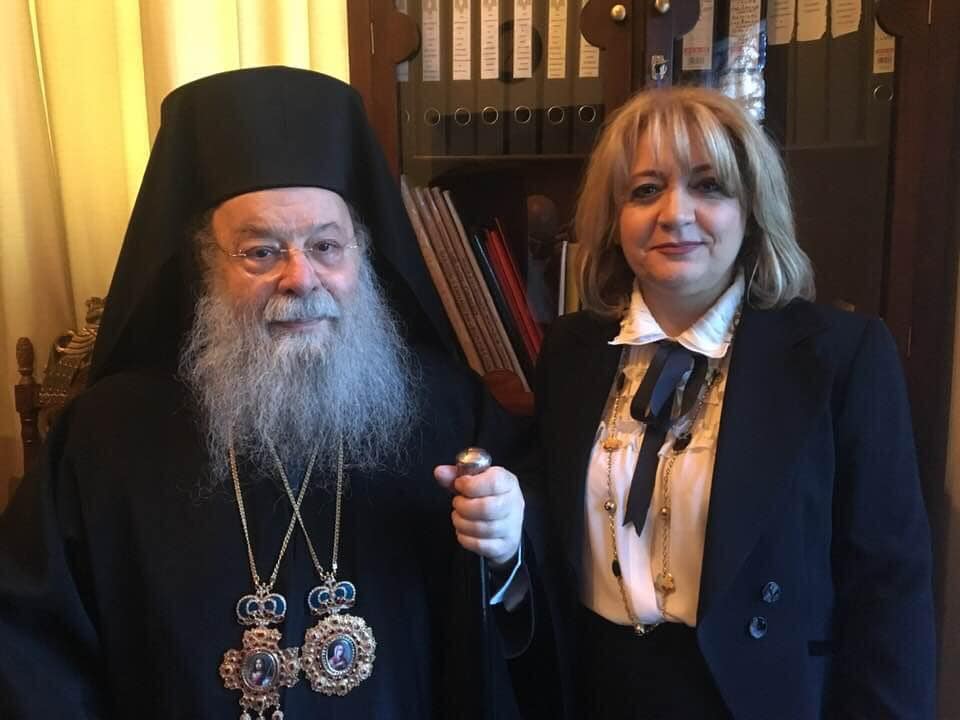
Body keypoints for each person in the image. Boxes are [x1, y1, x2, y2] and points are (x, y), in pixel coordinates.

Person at [0, 67, 528, 719]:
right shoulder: (106, 437)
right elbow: (31, 654)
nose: (300, 278)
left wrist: (506, 553)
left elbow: (513, 626)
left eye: (326, 246)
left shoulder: (446, 411)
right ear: (205, 266)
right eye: (260, 252)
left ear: (361, 255)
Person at [532, 86, 936, 718]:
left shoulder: (842, 356)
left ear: (752, 209)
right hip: (595, 692)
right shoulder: (569, 352)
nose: (675, 214)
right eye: (645, 190)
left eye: (709, 186)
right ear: (614, 219)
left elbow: (890, 589)